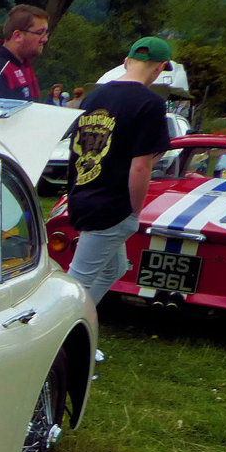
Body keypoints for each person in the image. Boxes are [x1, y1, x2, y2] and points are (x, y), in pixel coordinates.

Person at [63, 37, 172, 305]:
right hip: (113, 205)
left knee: (114, 269)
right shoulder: (150, 103)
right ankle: (61, 330)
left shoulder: (93, 97)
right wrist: (135, 211)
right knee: (75, 285)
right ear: (160, 68)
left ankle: (85, 322)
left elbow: (76, 149)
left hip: (83, 195)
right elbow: (141, 165)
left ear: (126, 62)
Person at [0, 4, 48, 101]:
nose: (45, 39)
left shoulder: (23, 65)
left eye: (46, 33)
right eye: (40, 33)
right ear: (18, 36)